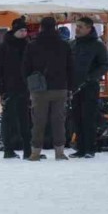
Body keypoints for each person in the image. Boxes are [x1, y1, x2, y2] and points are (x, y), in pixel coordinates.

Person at [22, 16, 74, 161]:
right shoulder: (64, 45)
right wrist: (70, 87)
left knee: (38, 121)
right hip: (60, 88)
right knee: (59, 121)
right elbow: (70, 68)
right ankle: (59, 152)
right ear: (55, 28)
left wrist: (30, 84)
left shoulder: (32, 45)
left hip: (39, 90)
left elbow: (25, 68)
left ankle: (35, 153)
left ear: (41, 28)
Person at [0, 17, 34, 159]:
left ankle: (28, 150)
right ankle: (8, 150)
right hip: (8, 90)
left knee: (25, 121)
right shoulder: (2, 49)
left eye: (25, 30)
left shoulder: (29, 47)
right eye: (21, 30)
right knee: (8, 120)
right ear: (14, 31)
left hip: (25, 88)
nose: (24, 33)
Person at [69, 16, 108, 158]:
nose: (77, 29)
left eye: (80, 26)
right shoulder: (73, 44)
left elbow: (105, 65)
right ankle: (80, 148)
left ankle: (90, 149)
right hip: (74, 88)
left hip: (90, 87)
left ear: (89, 28)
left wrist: (91, 77)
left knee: (89, 117)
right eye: (76, 26)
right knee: (76, 118)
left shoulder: (97, 45)